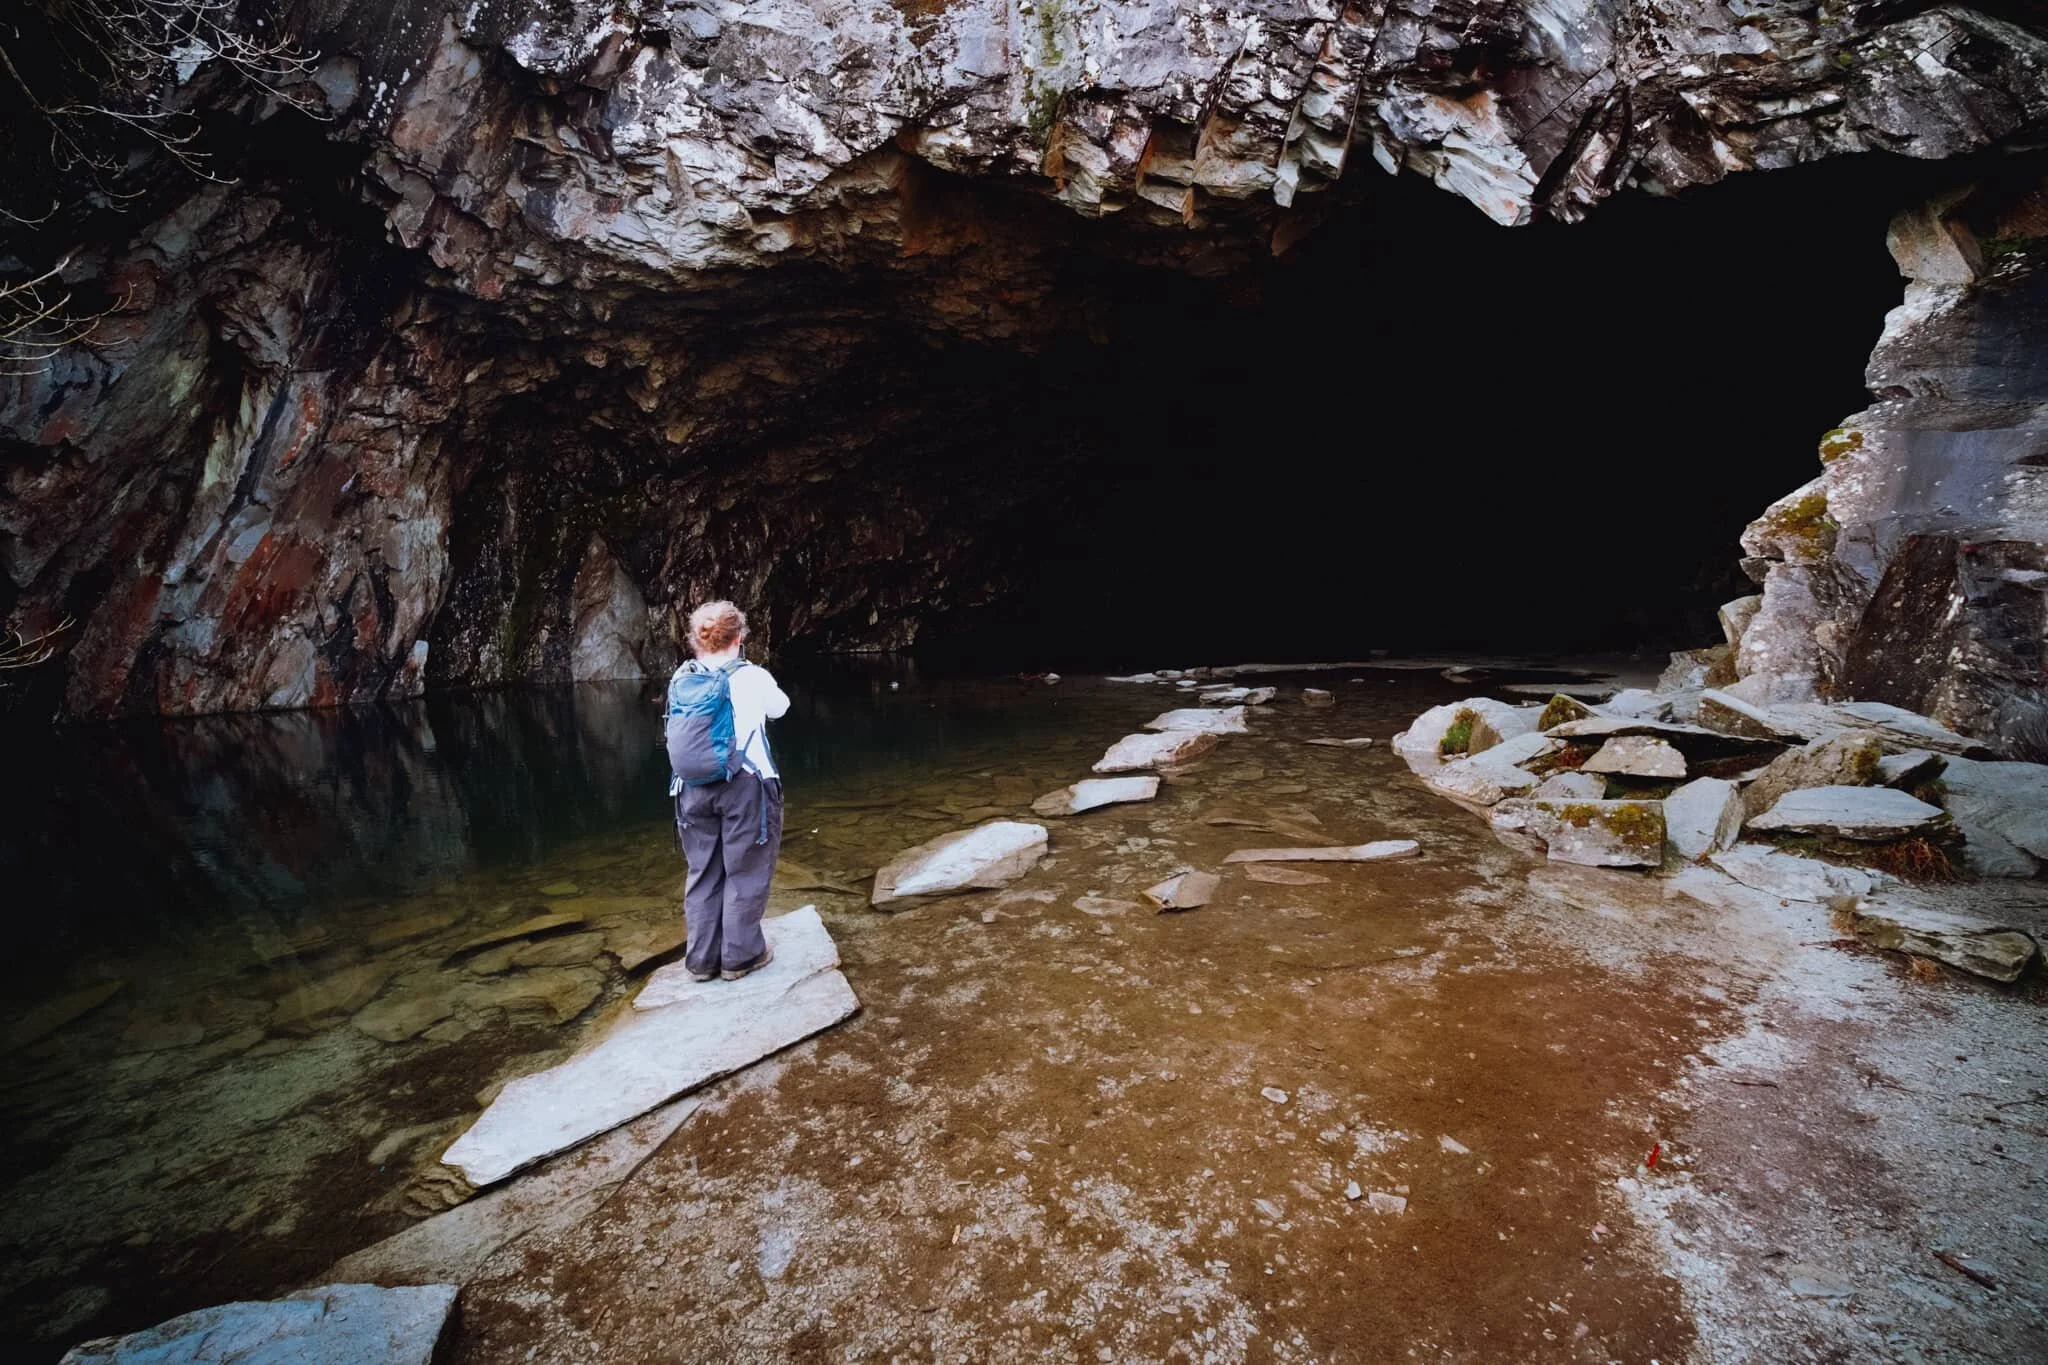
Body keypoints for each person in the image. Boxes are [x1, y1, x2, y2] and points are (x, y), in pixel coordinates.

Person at [670, 600, 789, 982]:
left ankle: (701, 961)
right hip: (745, 785)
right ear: (739, 638)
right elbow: (781, 708)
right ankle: (740, 957)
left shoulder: (682, 678)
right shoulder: (752, 676)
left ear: (696, 641)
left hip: (690, 788)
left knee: (703, 871)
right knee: (745, 869)